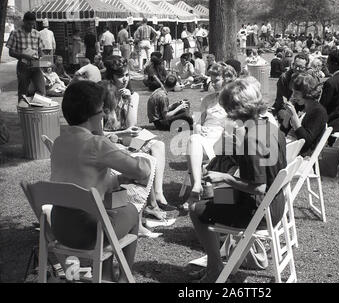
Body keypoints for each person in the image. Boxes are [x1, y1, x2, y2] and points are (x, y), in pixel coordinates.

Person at [188, 79, 287, 283]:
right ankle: (214, 267)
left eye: (225, 108)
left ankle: (215, 270)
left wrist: (225, 177)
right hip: (276, 205)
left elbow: (259, 187)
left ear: (233, 109)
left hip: (260, 210)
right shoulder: (270, 127)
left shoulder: (252, 139)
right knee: (215, 195)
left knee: (196, 210)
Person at [50, 81, 150, 282]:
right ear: (92, 115)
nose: (104, 114)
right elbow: (142, 171)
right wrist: (145, 160)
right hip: (89, 232)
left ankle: (105, 274)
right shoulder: (97, 144)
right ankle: (123, 276)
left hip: (60, 227)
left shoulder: (59, 142)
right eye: (102, 110)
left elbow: (82, 178)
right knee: (129, 210)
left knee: (109, 209)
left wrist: (118, 179)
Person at [101, 56, 174, 214]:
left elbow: (131, 126)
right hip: (111, 140)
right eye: (120, 76)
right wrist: (123, 133)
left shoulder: (133, 95)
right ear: (112, 76)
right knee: (142, 154)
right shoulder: (103, 95)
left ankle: (159, 194)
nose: (125, 79)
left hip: (127, 137)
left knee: (158, 145)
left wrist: (129, 102)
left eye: (127, 75)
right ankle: (150, 203)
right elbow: (99, 132)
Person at [183, 63, 237, 211]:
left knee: (194, 142)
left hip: (222, 140)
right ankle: (197, 186)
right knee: (194, 139)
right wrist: (199, 128)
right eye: (211, 81)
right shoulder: (207, 99)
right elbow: (198, 122)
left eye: (216, 81)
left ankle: (195, 192)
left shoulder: (235, 100)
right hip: (204, 138)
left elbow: (235, 125)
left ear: (226, 80)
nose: (212, 84)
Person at [281, 74, 327, 155]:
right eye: (293, 92)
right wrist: (288, 115)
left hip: (300, 154)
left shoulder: (318, 111)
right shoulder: (300, 106)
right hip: (288, 147)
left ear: (307, 93)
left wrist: (294, 116)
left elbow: (306, 141)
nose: (293, 96)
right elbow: (282, 132)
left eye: (296, 93)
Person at [6, 12, 46, 102]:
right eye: (28, 24)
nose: (31, 26)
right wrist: (23, 56)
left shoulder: (37, 34)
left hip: (36, 65)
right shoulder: (15, 33)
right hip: (23, 66)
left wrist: (44, 59)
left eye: (33, 24)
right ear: (24, 21)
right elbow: (11, 52)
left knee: (41, 90)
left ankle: (36, 111)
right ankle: (23, 113)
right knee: (23, 92)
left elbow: (41, 51)